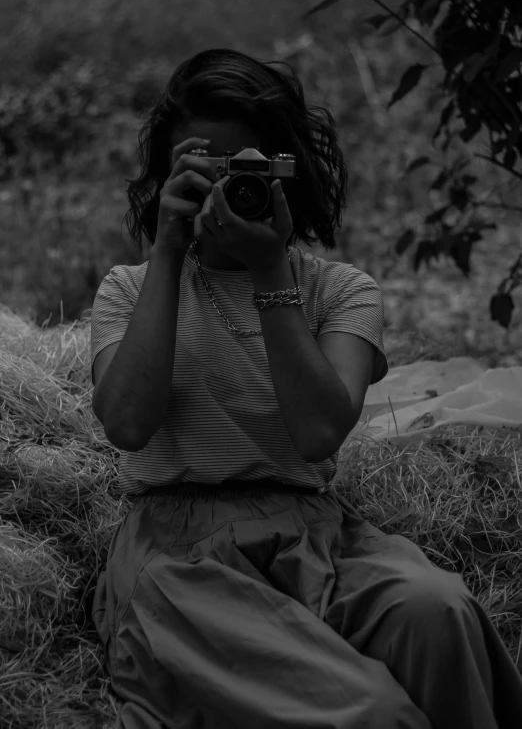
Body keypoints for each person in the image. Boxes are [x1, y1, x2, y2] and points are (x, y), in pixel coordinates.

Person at [90, 48, 522, 729]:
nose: (229, 191)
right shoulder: (131, 289)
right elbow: (126, 424)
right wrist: (168, 248)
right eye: (207, 170)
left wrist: (270, 273)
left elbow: (319, 431)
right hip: (178, 554)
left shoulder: (342, 290)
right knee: (370, 712)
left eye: (247, 171)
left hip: (314, 534)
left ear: (284, 173)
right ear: (170, 175)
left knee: (439, 611)